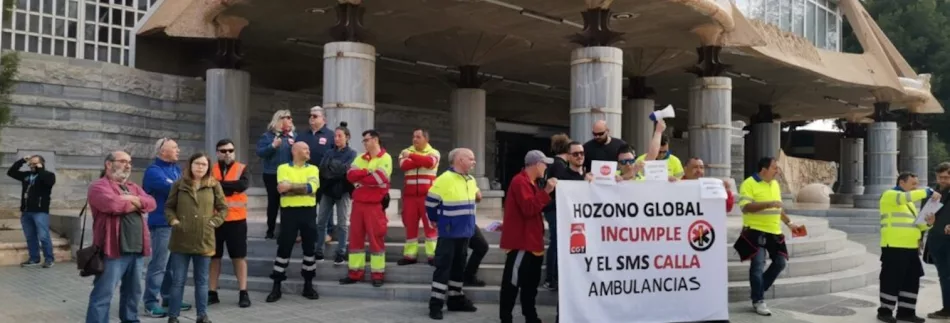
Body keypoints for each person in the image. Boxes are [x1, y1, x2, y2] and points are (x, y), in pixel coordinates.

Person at [85, 151, 157, 323]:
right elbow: (113, 205)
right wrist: (138, 203)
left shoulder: (132, 187)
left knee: (133, 293)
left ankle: (130, 320)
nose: (128, 165)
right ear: (108, 164)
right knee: (103, 293)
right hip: (113, 250)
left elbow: (152, 203)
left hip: (137, 249)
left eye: (130, 162)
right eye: (123, 161)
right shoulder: (98, 186)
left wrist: (131, 198)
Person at [164, 153, 229, 323]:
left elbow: (223, 208)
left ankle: (202, 315)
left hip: (204, 240)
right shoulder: (179, 185)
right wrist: (173, 220)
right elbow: (169, 207)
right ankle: (173, 316)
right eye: (197, 164)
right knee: (178, 281)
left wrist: (214, 222)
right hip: (181, 239)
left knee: (201, 281)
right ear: (190, 165)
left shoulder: (214, 185)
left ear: (208, 167)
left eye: (204, 164)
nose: (200, 167)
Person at [735, 157, 803, 316]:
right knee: (757, 265)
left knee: (780, 263)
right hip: (754, 231)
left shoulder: (775, 184)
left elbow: (778, 209)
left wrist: (789, 223)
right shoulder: (748, 183)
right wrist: (768, 203)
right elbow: (745, 208)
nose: (777, 171)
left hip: (774, 232)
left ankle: (757, 290)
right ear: (764, 170)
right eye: (774, 168)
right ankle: (758, 300)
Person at [499, 150, 557, 323]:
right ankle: (506, 318)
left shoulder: (531, 182)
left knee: (530, 285)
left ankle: (530, 316)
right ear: (536, 164)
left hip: (532, 243)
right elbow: (529, 208)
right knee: (512, 284)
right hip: (521, 244)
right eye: (544, 163)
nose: (546, 167)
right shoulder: (520, 181)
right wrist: (546, 191)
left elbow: (536, 207)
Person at [876, 172, 938, 323]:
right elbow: (904, 197)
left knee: (911, 280)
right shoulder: (890, 195)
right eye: (913, 184)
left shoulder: (909, 204)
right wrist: (928, 191)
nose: (915, 187)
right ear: (901, 183)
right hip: (894, 246)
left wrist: (929, 222)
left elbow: (918, 225)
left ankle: (906, 312)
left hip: (910, 248)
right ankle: (885, 311)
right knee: (891, 279)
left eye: (917, 184)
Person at [426, 148, 480, 320]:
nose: (474, 162)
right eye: (470, 158)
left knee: (458, 268)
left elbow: (475, 197)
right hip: (449, 233)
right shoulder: (444, 179)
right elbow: (430, 202)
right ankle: (435, 305)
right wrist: (434, 219)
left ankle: (455, 299)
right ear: (459, 160)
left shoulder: (470, 179)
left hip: (465, 231)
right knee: (443, 268)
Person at [265, 142, 321, 303]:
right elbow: (282, 188)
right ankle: (276, 287)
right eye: (305, 149)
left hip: (308, 213)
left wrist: (291, 187)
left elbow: (312, 188)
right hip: (289, 213)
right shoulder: (283, 168)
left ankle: (308, 285)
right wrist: (299, 187)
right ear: (295, 151)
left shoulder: (313, 169)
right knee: (284, 248)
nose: (308, 151)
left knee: (309, 249)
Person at [340, 130, 393, 287]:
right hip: (358, 205)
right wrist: (368, 173)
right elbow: (350, 175)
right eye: (363, 141)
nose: (364, 143)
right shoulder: (359, 158)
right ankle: (355, 273)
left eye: (366, 140)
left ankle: (377, 275)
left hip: (374, 206)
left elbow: (380, 178)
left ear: (375, 140)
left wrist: (361, 178)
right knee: (355, 239)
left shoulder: (386, 157)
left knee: (376, 239)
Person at [142, 137, 185, 318]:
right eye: (174, 147)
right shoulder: (153, 171)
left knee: (172, 265)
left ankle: (168, 297)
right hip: (161, 224)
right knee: (159, 264)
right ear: (162, 151)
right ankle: (150, 301)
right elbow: (177, 189)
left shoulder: (175, 169)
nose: (178, 150)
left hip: (176, 223)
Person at [208, 139, 252, 308]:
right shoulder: (210, 169)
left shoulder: (242, 168)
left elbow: (242, 185)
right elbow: (208, 187)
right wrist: (229, 187)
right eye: (223, 150)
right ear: (217, 152)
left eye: (230, 150)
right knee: (214, 257)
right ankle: (212, 292)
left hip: (237, 220)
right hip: (216, 220)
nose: (227, 153)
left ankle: (243, 292)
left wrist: (219, 185)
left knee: (239, 257)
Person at [540, 135, 583, 291]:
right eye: (575, 153)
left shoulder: (554, 165)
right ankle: (551, 278)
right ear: (567, 151)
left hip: (554, 209)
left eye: (581, 153)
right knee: (557, 243)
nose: (579, 156)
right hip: (555, 209)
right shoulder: (560, 167)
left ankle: (552, 278)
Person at [316, 122, 358, 265]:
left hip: (343, 190)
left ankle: (341, 251)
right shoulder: (329, 152)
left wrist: (332, 167)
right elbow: (322, 169)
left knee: (342, 223)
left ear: (347, 137)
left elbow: (346, 170)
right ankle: (319, 250)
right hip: (327, 190)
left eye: (340, 136)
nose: (336, 138)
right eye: (335, 136)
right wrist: (337, 169)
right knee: (321, 221)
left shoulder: (352, 153)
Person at [398, 128, 441, 266]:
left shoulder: (434, 152)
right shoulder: (405, 151)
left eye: (418, 137)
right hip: (410, 197)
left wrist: (411, 156)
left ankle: (433, 256)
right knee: (410, 226)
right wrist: (419, 160)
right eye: (413, 137)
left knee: (430, 226)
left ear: (426, 139)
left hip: (428, 197)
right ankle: (410, 256)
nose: (414, 139)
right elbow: (404, 165)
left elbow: (430, 163)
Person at [7, 154, 56, 268]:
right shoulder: (27, 175)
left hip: (40, 211)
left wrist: (40, 169)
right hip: (26, 211)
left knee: (43, 236)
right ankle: (34, 258)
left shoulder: (48, 175)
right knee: (30, 236)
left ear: (41, 164)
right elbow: (11, 172)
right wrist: (22, 161)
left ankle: (49, 259)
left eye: (35, 163)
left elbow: (48, 183)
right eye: (31, 163)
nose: (32, 166)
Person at [256, 109, 296, 240]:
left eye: (290, 118)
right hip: (272, 174)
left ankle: (286, 231)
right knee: (273, 203)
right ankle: (270, 230)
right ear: (279, 120)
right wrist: (272, 146)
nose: (290, 120)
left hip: (289, 174)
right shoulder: (267, 136)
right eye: (286, 117)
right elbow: (260, 153)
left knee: (287, 203)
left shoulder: (293, 136)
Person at [297, 106, 336, 239]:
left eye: (315, 116)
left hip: (324, 177)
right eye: (310, 116)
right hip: (304, 176)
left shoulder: (331, 135)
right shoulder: (302, 135)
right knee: (305, 206)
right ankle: (304, 232)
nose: (311, 118)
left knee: (326, 205)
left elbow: (335, 155)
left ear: (323, 119)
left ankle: (328, 232)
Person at [926, 162, 950, 320]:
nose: (943, 180)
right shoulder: (932, 193)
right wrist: (929, 222)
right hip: (937, 240)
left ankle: (947, 309)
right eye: (940, 177)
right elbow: (925, 218)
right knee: (944, 275)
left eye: (947, 177)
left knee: (947, 276)